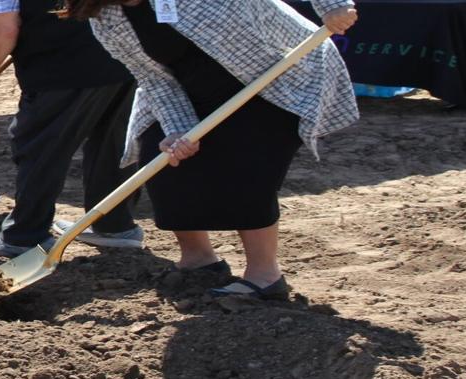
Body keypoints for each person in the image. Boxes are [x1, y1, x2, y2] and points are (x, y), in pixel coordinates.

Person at [69, 0, 358, 299]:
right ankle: (199, 260)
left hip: (272, 81)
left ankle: (265, 276)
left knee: (246, 170)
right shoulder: (105, 16)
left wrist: (333, 5)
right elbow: (154, 78)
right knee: (165, 163)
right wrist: (178, 129)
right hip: (188, 89)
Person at [0, 0, 142, 258]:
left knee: (40, 148)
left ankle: (24, 236)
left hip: (61, 67)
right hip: (125, 58)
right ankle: (114, 226)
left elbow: (2, 28)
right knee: (114, 143)